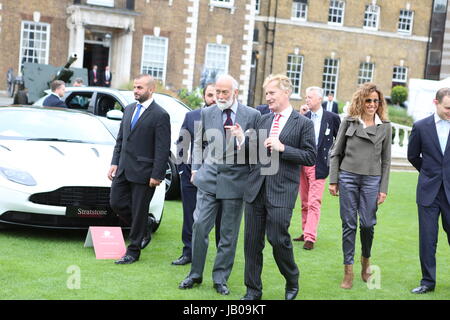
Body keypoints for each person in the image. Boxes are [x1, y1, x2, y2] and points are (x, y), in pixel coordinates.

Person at [178, 74, 260, 296]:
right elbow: (196, 143)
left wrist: (242, 138)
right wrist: (195, 169)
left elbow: (256, 153)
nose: (220, 96)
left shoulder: (252, 115)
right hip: (209, 178)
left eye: (225, 92)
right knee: (199, 227)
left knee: (228, 234)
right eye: (217, 92)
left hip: (235, 182)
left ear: (235, 92)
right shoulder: (207, 112)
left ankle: (220, 278)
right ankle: (194, 274)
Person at [242, 74, 316, 300]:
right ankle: (253, 291)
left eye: (271, 93)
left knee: (278, 239)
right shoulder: (262, 119)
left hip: (282, 192)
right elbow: (250, 153)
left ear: (286, 93)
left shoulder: (303, 123)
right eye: (266, 93)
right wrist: (240, 140)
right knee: (252, 244)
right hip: (255, 189)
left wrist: (283, 147)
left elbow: (310, 156)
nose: (268, 97)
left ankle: (292, 278)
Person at [328, 82, 391, 289]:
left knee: (367, 224)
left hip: (372, 180)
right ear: (361, 101)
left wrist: (383, 188)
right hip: (348, 177)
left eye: (376, 100)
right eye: (368, 100)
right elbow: (336, 152)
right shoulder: (349, 121)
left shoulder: (385, 126)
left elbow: (387, 161)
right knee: (348, 225)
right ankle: (348, 272)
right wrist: (334, 180)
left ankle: (366, 262)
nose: (372, 104)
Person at [108, 74, 171, 265]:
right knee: (116, 203)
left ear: (151, 90)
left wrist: (157, 174)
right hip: (124, 169)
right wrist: (114, 162)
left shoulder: (161, 115)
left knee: (138, 209)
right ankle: (146, 224)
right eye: (135, 87)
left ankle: (133, 251)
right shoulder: (128, 110)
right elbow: (121, 139)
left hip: (145, 173)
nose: (135, 91)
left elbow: (162, 148)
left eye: (140, 88)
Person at [173, 83, 223, 266]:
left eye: (216, 94)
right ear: (204, 97)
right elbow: (182, 144)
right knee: (190, 217)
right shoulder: (192, 116)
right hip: (191, 176)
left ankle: (221, 257)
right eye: (210, 95)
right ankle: (188, 253)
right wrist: (181, 170)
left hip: (219, 178)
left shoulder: (228, 119)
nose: (214, 98)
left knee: (221, 220)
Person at [407, 87, 450, 294]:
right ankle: (427, 282)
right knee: (427, 239)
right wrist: (429, 173)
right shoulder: (421, 127)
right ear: (436, 103)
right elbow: (413, 155)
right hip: (428, 192)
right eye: (447, 108)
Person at [295, 87, 341, 250]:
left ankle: (310, 237)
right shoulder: (304, 117)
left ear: (319, 99)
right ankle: (305, 231)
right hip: (303, 163)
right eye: (306, 97)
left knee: (314, 201)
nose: (307, 100)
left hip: (319, 164)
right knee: (305, 201)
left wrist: (333, 158)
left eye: (310, 97)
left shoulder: (332, 118)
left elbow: (340, 140)